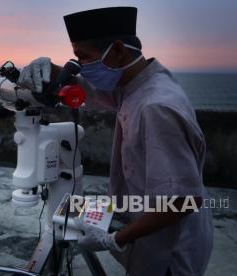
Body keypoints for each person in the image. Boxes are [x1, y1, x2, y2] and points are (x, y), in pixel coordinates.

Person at [17, 7, 213, 276]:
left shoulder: (156, 107)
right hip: (146, 228)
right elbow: (91, 88)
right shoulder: (136, 84)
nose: (81, 67)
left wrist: (114, 239)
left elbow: (183, 201)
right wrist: (50, 70)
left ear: (118, 51)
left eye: (83, 58)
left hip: (169, 253)